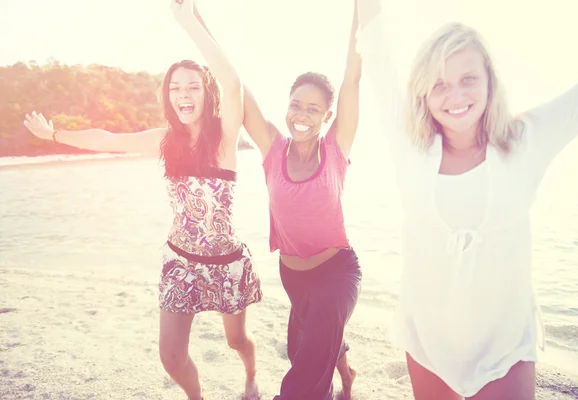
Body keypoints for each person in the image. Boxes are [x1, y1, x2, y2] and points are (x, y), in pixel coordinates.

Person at [357, 0, 578, 399]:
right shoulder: (410, 147)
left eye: (468, 78)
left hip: (505, 348)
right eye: (439, 83)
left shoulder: (525, 142)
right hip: (428, 343)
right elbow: (379, 52)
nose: (455, 95)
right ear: (424, 91)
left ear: (490, 80)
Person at [23, 1, 262, 399]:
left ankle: (251, 377)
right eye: (175, 87)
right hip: (181, 262)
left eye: (193, 86)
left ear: (207, 93)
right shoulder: (165, 140)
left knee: (236, 341)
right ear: (167, 97)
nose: (183, 94)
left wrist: (188, 23)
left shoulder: (224, 137)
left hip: (226, 262)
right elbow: (109, 140)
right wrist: (54, 136)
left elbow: (233, 82)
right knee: (170, 356)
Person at [234, 0, 363, 398]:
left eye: (313, 108)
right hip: (293, 275)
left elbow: (353, 78)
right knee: (307, 346)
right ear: (286, 107)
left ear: (327, 116)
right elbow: (236, 88)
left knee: (308, 367)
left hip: (337, 271)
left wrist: (360, 11)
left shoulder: (335, 149)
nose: (302, 114)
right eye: (295, 105)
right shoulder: (272, 147)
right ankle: (347, 375)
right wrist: (196, 19)